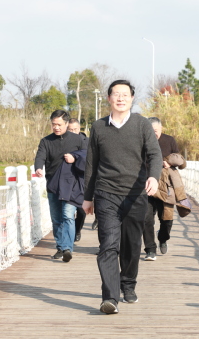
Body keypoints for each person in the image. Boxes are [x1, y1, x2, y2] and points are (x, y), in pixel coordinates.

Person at [82, 80, 162, 314]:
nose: (120, 98)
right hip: (106, 193)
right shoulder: (98, 127)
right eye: (116, 94)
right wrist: (88, 197)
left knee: (131, 244)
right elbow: (91, 164)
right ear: (108, 98)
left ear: (132, 98)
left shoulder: (142, 124)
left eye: (125, 94)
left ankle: (128, 284)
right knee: (108, 244)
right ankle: (110, 297)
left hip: (135, 194)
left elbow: (154, 154)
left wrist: (154, 177)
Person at [34, 110, 87, 262]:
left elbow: (88, 155)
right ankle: (60, 247)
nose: (56, 127)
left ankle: (67, 248)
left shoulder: (78, 139)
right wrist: (38, 167)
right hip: (53, 184)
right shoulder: (46, 141)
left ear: (66, 124)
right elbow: (40, 156)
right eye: (53, 124)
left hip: (72, 184)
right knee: (56, 219)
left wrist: (75, 157)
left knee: (68, 215)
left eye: (59, 124)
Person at [142, 117, 185, 261]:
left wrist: (170, 163)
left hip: (165, 187)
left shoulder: (169, 140)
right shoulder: (142, 140)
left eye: (156, 130)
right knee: (147, 219)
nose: (153, 133)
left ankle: (163, 238)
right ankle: (150, 250)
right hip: (146, 185)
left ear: (161, 129)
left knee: (167, 219)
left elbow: (179, 159)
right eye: (150, 131)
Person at [67, 118, 88, 242]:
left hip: (83, 180)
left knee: (82, 210)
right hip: (68, 180)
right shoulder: (63, 141)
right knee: (67, 212)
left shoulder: (87, 142)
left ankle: (77, 229)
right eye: (70, 130)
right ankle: (67, 237)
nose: (73, 132)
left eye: (75, 129)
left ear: (79, 128)